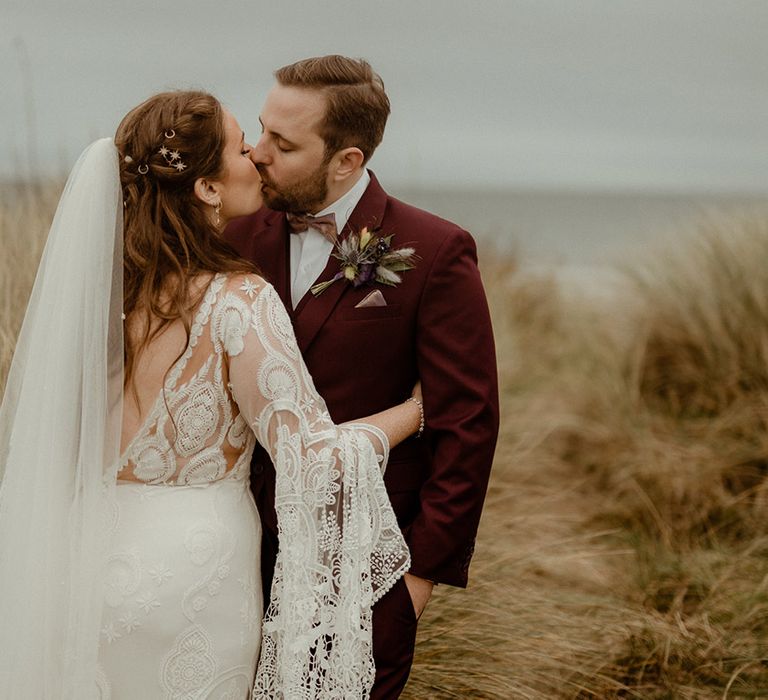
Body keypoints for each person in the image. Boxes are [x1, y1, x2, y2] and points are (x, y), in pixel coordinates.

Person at [0, 90, 423, 698]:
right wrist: (416, 410)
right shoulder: (238, 301)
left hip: (79, 567)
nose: (254, 152)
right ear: (207, 189)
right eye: (237, 145)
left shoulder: (94, 300)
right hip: (194, 584)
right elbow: (316, 461)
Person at [226, 55, 500, 698]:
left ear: (346, 160)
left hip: (357, 568)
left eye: (283, 143)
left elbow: (467, 423)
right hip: (226, 555)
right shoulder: (231, 235)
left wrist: (415, 582)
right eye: (262, 130)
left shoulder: (434, 251)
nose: (257, 152)